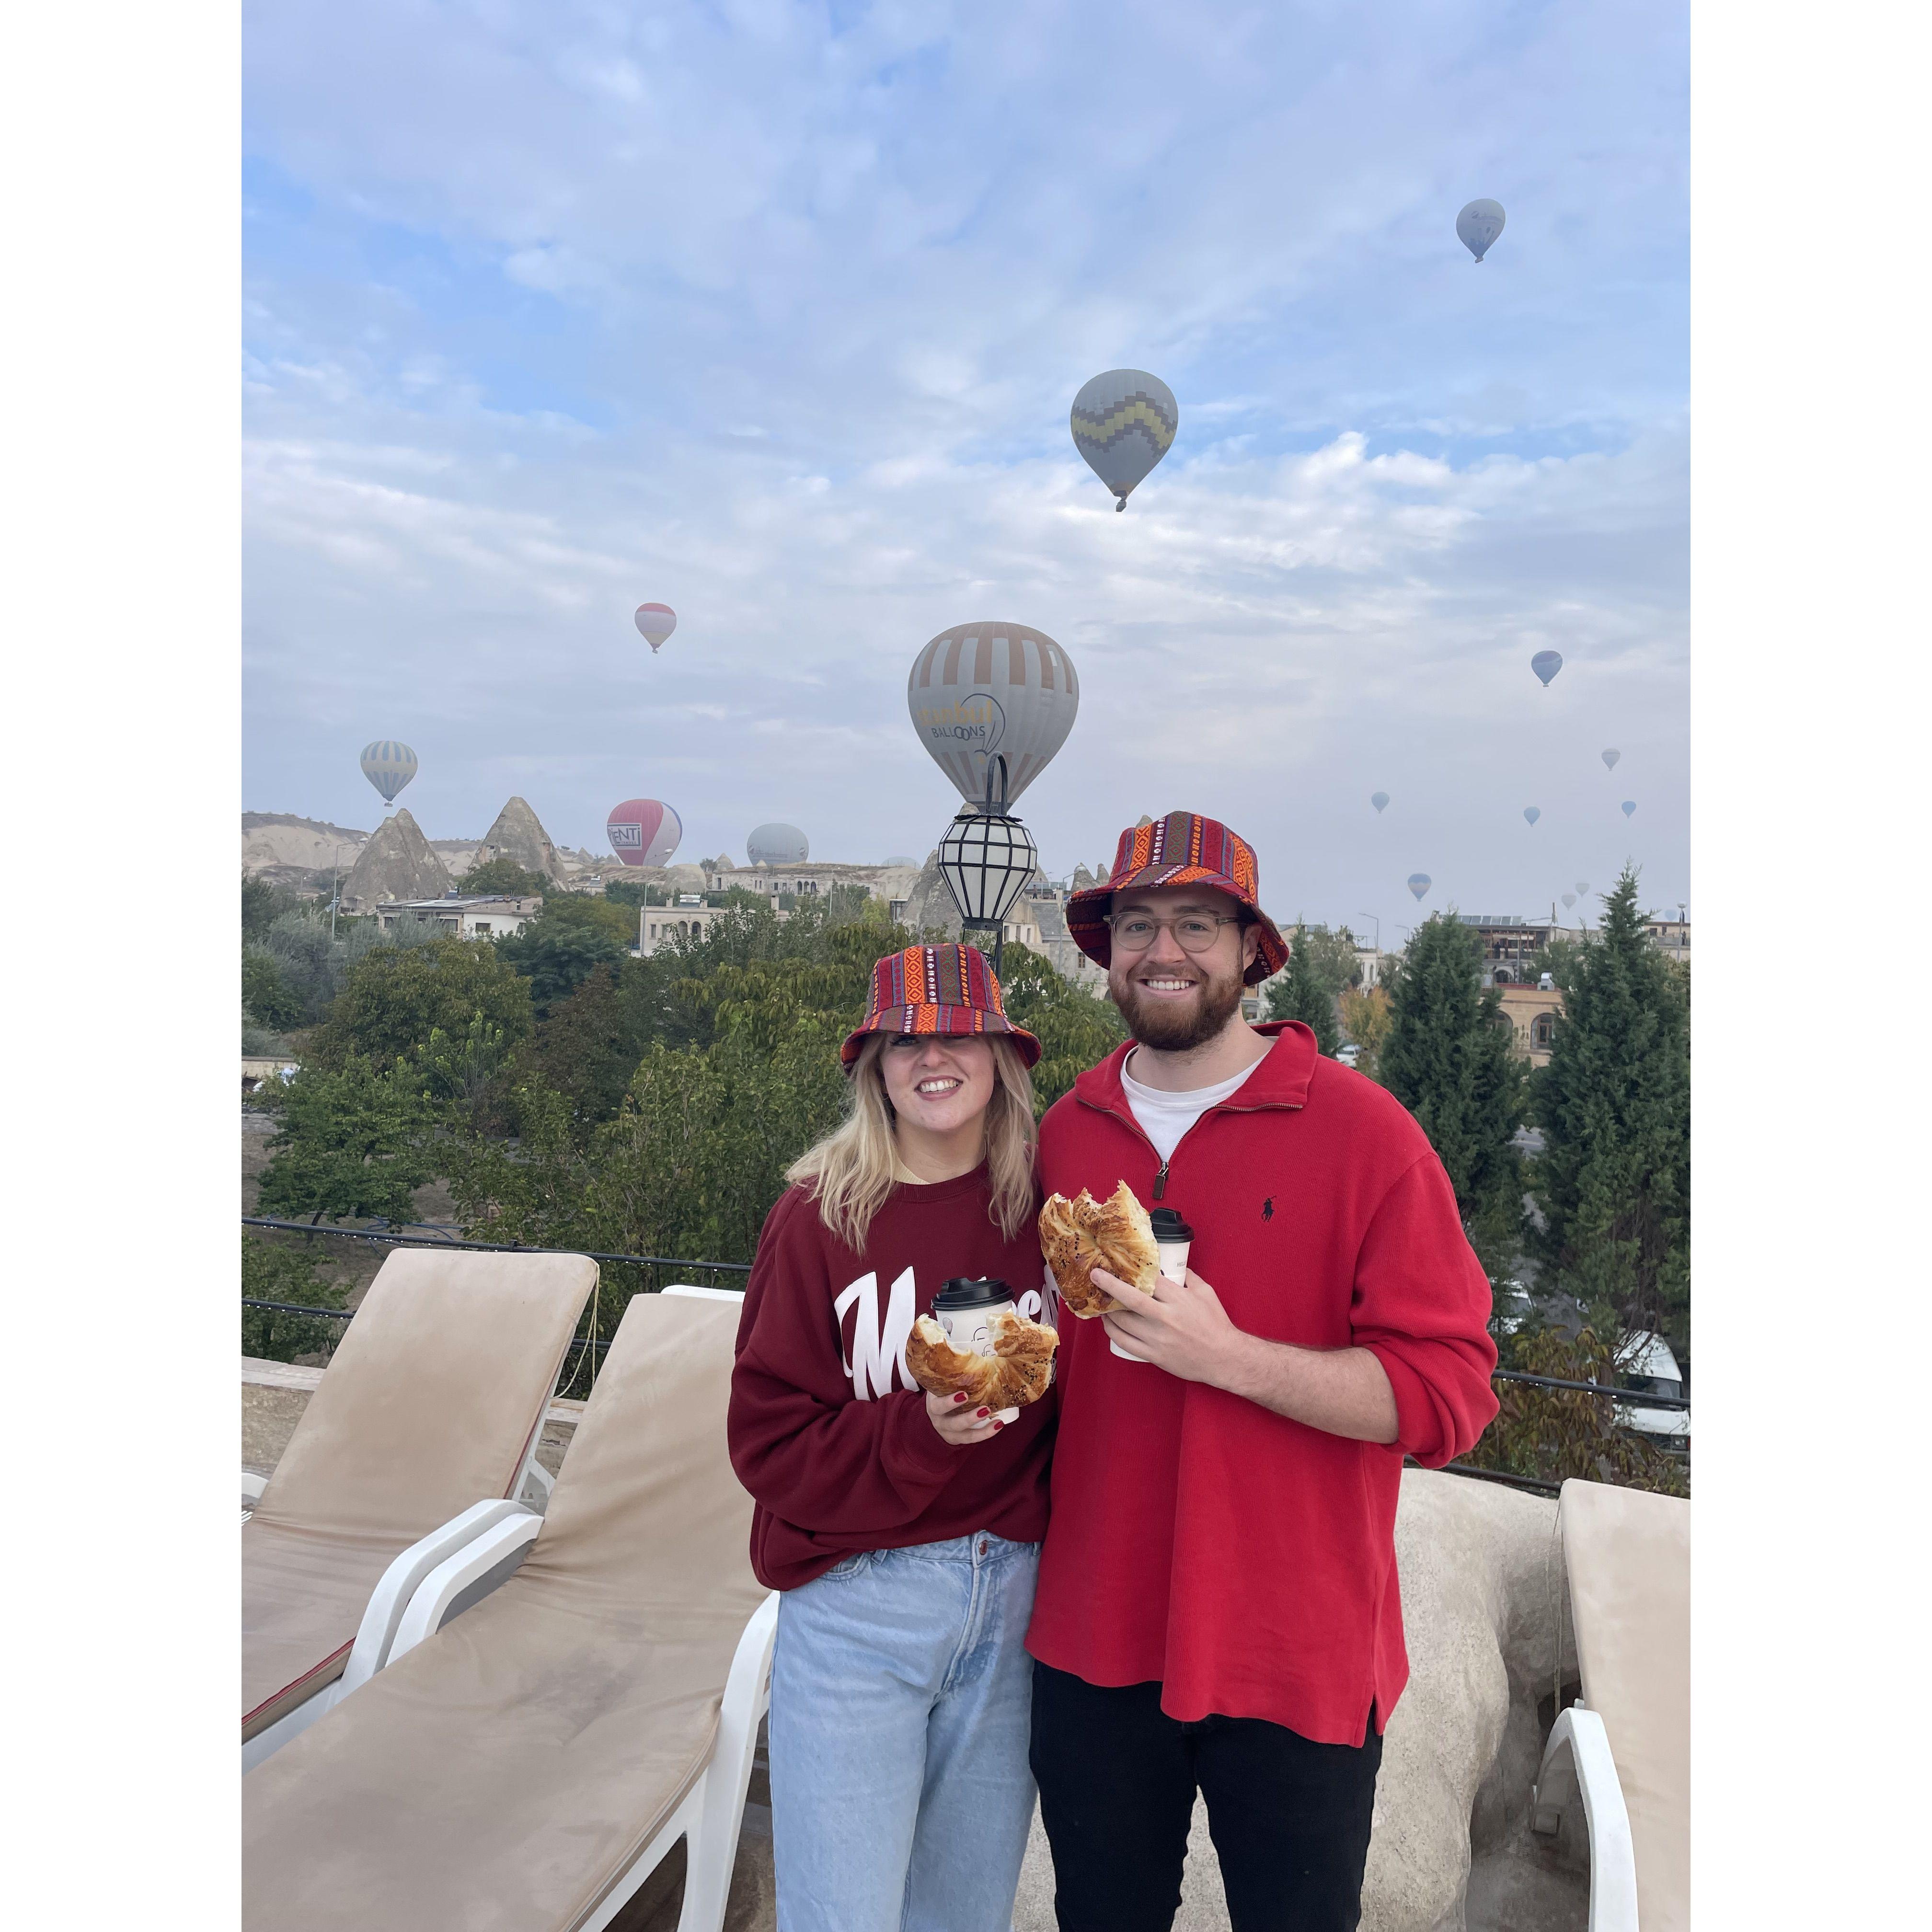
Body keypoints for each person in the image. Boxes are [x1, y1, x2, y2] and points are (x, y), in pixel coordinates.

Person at [1026, 812, 1500, 1932]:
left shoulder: (1365, 1134)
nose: (1164, 949)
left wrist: (1230, 1360)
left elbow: (1451, 1397)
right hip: (1094, 1640)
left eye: (1198, 922)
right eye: (1137, 922)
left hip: (1297, 1652)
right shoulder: (1061, 1133)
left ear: (1252, 951)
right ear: (1105, 949)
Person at [728, 943, 1055, 1932]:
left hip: (1014, 1599)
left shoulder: (1045, 1211)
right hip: (859, 1601)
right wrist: (925, 1432)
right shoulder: (820, 1218)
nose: (933, 1057)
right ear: (873, 1067)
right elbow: (767, 1446)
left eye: (960, 1034)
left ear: (1001, 1056)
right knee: (842, 1916)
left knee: (963, 1914)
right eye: (904, 1041)